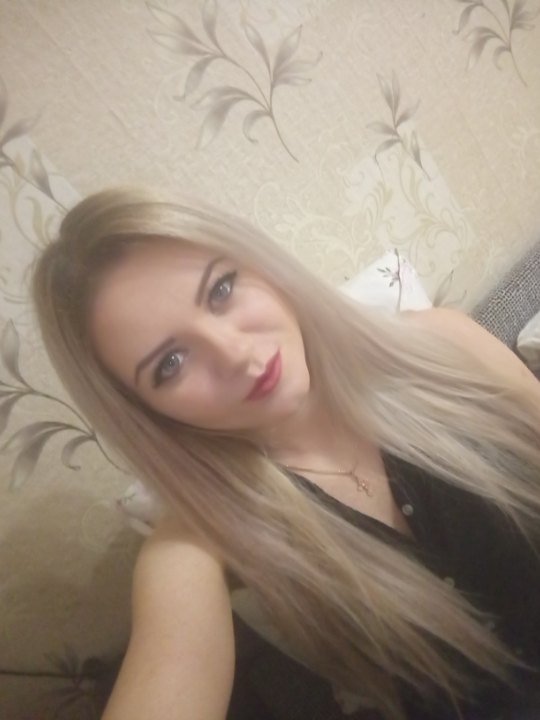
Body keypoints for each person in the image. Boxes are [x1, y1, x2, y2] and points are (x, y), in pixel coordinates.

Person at [31, 187, 540, 720]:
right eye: (171, 363)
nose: (235, 353)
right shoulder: (198, 538)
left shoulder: (442, 345)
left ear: (262, 266)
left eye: (222, 289)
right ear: (148, 411)